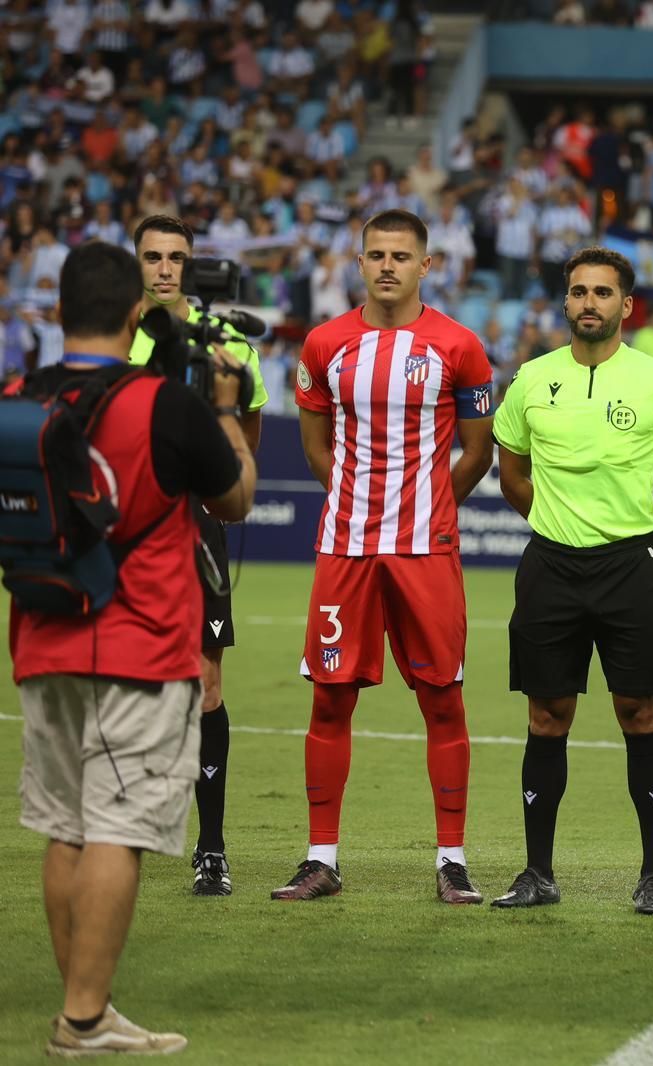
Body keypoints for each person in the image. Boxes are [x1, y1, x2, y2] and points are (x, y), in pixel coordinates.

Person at [11, 242, 255, 1055]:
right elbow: (236, 499)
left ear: (53, 312)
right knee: (116, 829)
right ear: (133, 316)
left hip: (42, 636)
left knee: (64, 828)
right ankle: (83, 1017)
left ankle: (89, 1001)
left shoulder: (18, 394)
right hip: (141, 643)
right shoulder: (164, 403)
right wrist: (223, 406)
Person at [275, 209, 496, 904]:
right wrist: (356, 497)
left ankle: (452, 861)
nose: (388, 266)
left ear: (427, 265)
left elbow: (478, 449)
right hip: (346, 547)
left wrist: (429, 503)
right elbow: (316, 446)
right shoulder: (324, 344)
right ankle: (320, 859)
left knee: (442, 699)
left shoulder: (460, 347)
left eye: (402, 255)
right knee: (331, 697)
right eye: (376, 254)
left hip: (425, 550)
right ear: (359, 261)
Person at [489, 248, 653, 914]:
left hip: (629, 570)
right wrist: (557, 522)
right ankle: (537, 873)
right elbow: (512, 472)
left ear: (625, 306)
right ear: (565, 302)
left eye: (603, 293)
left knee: (639, 713)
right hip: (549, 566)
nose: (589, 303)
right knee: (547, 716)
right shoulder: (531, 378)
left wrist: (634, 533)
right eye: (578, 291)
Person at [126, 214, 269, 897]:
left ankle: (210, 848)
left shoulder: (230, 343)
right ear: (137, 264)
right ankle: (122, 828)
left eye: (176, 257)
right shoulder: (115, 339)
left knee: (208, 685)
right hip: (125, 530)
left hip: (197, 527)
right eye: (152, 256)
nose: (164, 268)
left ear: (191, 265)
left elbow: (248, 432)